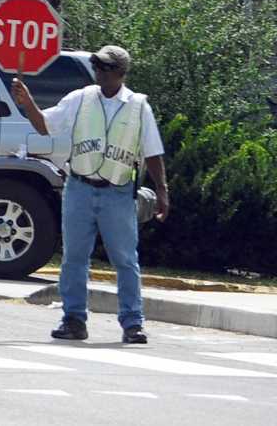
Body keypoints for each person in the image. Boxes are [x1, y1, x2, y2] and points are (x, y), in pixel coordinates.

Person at [11, 43, 169, 345]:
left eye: (106, 67)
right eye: (97, 65)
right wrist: (28, 102)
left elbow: (152, 152)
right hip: (80, 188)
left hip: (118, 192)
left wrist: (162, 190)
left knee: (125, 260)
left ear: (121, 72)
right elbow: (45, 126)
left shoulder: (138, 106)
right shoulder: (80, 99)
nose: (99, 71)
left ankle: (133, 323)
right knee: (74, 258)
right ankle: (73, 320)